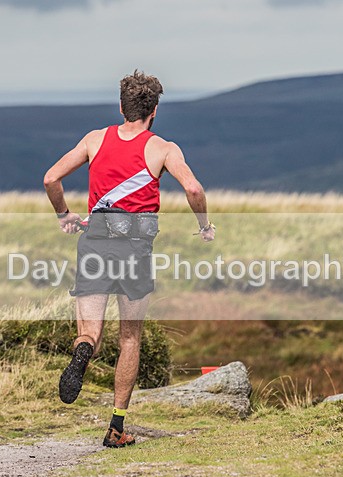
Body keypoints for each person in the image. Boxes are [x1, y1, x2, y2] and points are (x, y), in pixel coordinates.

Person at [43, 70, 215, 448]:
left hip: (95, 241)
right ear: (154, 111)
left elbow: (51, 179)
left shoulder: (94, 139)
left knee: (89, 331)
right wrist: (203, 226)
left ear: (121, 107)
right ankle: (116, 429)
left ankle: (84, 350)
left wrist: (64, 215)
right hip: (135, 248)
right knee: (130, 337)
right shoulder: (163, 148)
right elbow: (193, 188)